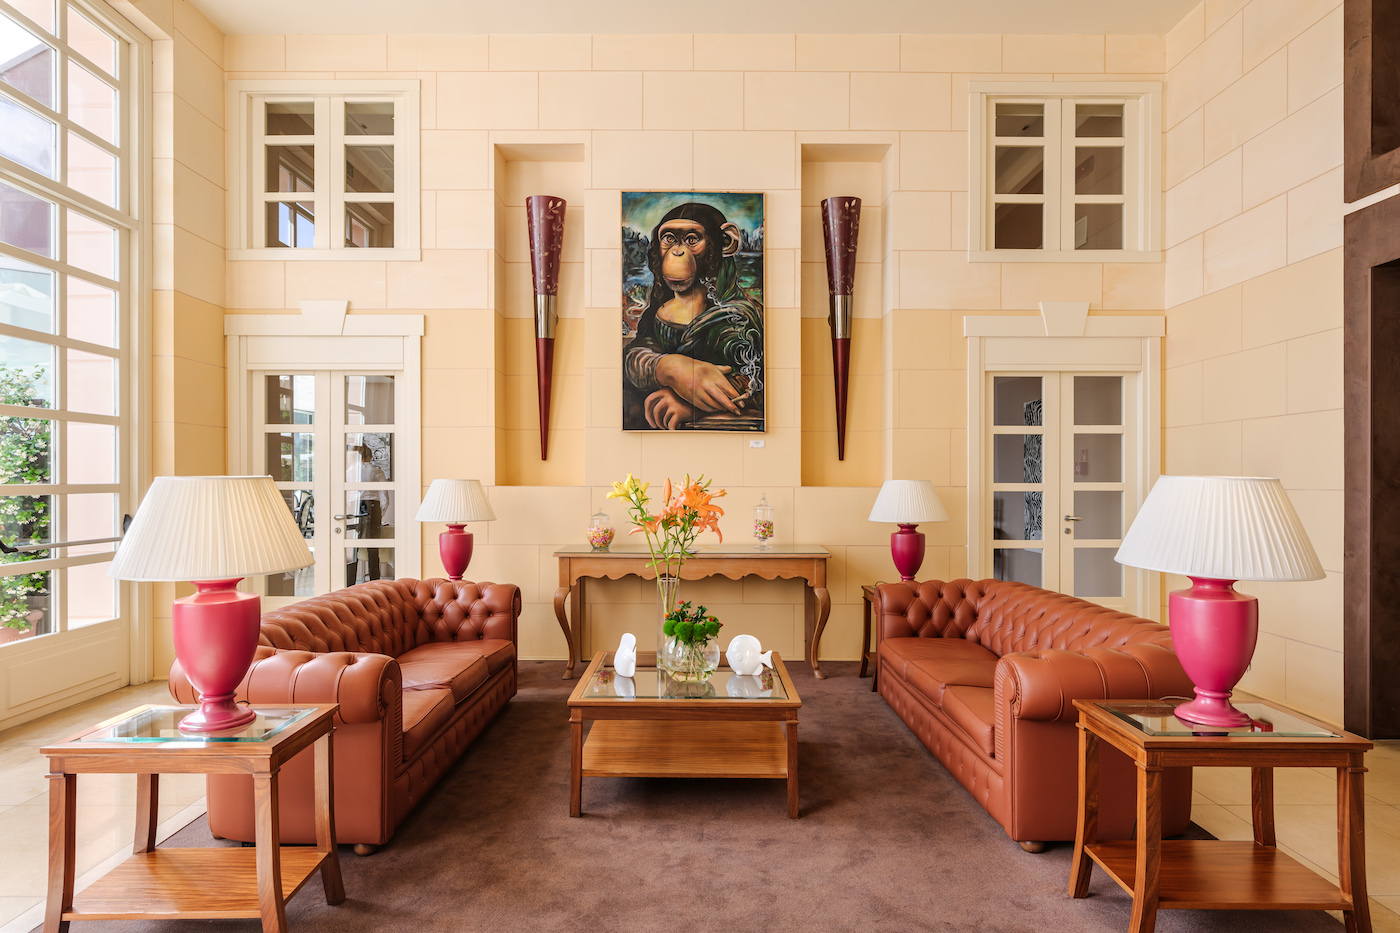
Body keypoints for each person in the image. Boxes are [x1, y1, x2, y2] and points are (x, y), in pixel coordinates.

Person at [623, 202, 764, 431]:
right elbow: (634, 356)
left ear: (725, 243)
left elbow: (756, 380)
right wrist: (668, 367)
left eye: (691, 240)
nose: (677, 251)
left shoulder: (740, 316)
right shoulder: (659, 312)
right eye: (669, 239)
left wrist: (696, 405)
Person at [345, 443, 390, 583]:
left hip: (354, 506)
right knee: (372, 547)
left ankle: (350, 582)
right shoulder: (377, 471)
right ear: (370, 456)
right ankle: (374, 583)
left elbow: (347, 495)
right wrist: (379, 515)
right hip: (372, 506)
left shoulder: (349, 471)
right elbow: (384, 498)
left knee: (353, 547)